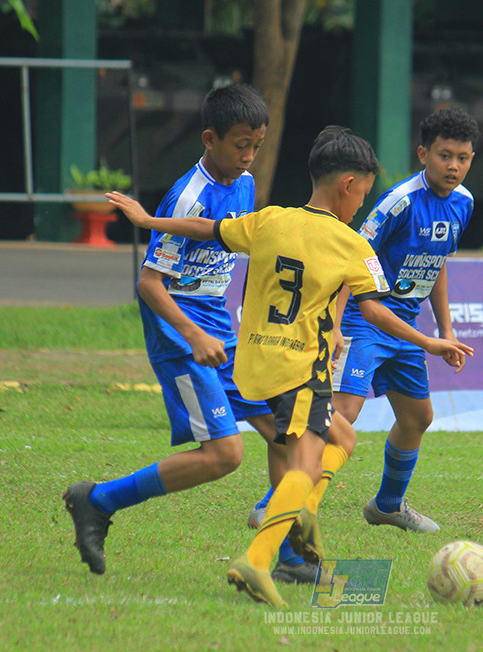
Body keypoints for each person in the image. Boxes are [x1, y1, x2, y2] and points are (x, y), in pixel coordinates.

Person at [106, 125, 474, 607]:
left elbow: (208, 230)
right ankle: (261, 555)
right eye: (362, 195)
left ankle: (300, 540)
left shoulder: (269, 220)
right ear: (348, 186)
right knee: (312, 459)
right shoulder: (351, 245)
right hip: (298, 368)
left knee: (338, 439)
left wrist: (148, 220)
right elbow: (378, 311)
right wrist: (428, 340)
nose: (362, 204)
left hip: (254, 360)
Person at [63, 82, 314, 585]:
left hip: (223, 329)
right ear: (209, 138)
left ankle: (285, 554)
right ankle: (97, 501)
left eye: (257, 146)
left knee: (289, 432)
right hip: (181, 338)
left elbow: (235, 251)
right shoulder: (189, 197)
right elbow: (151, 285)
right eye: (241, 144)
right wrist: (193, 334)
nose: (249, 156)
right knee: (225, 455)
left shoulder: (243, 185)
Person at [247, 108, 479, 534]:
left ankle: (388, 505)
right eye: (445, 155)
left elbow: (438, 263)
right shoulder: (399, 202)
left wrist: (445, 329)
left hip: (405, 326)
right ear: (423, 153)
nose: (454, 166)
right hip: (364, 319)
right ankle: (276, 503)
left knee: (417, 418)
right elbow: (346, 258)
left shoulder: (463, 203)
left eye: (463, 157)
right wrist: (335, 325)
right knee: (343, 414)